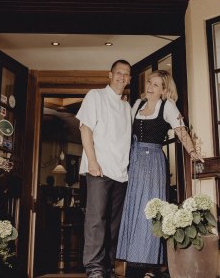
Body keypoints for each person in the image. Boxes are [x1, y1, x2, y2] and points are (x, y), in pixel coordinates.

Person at [116, 70, 203, 277]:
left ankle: (148, 266)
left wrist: (192, 152)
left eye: (156, 85)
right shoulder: (137, 104)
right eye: (149, 82)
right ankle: (134, 263)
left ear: (164, 89)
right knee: (133, 211)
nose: (150, 87)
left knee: (149, 213)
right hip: (134, 161)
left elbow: (181, 131)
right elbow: (122, 131)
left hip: (153, 162)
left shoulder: (168, 106)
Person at [76, 59, 132, 278]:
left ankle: (107, 267)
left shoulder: (126, 106)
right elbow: (85, 128)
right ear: (110, 75)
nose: (122, 77)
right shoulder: (95, 96)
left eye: (126, 74)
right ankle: (94, 269)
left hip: (121, 173)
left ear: (129, 79)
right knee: (96, 220)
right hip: (99, 169)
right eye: (118, 72)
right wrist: (92, 161)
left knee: (114, 225)